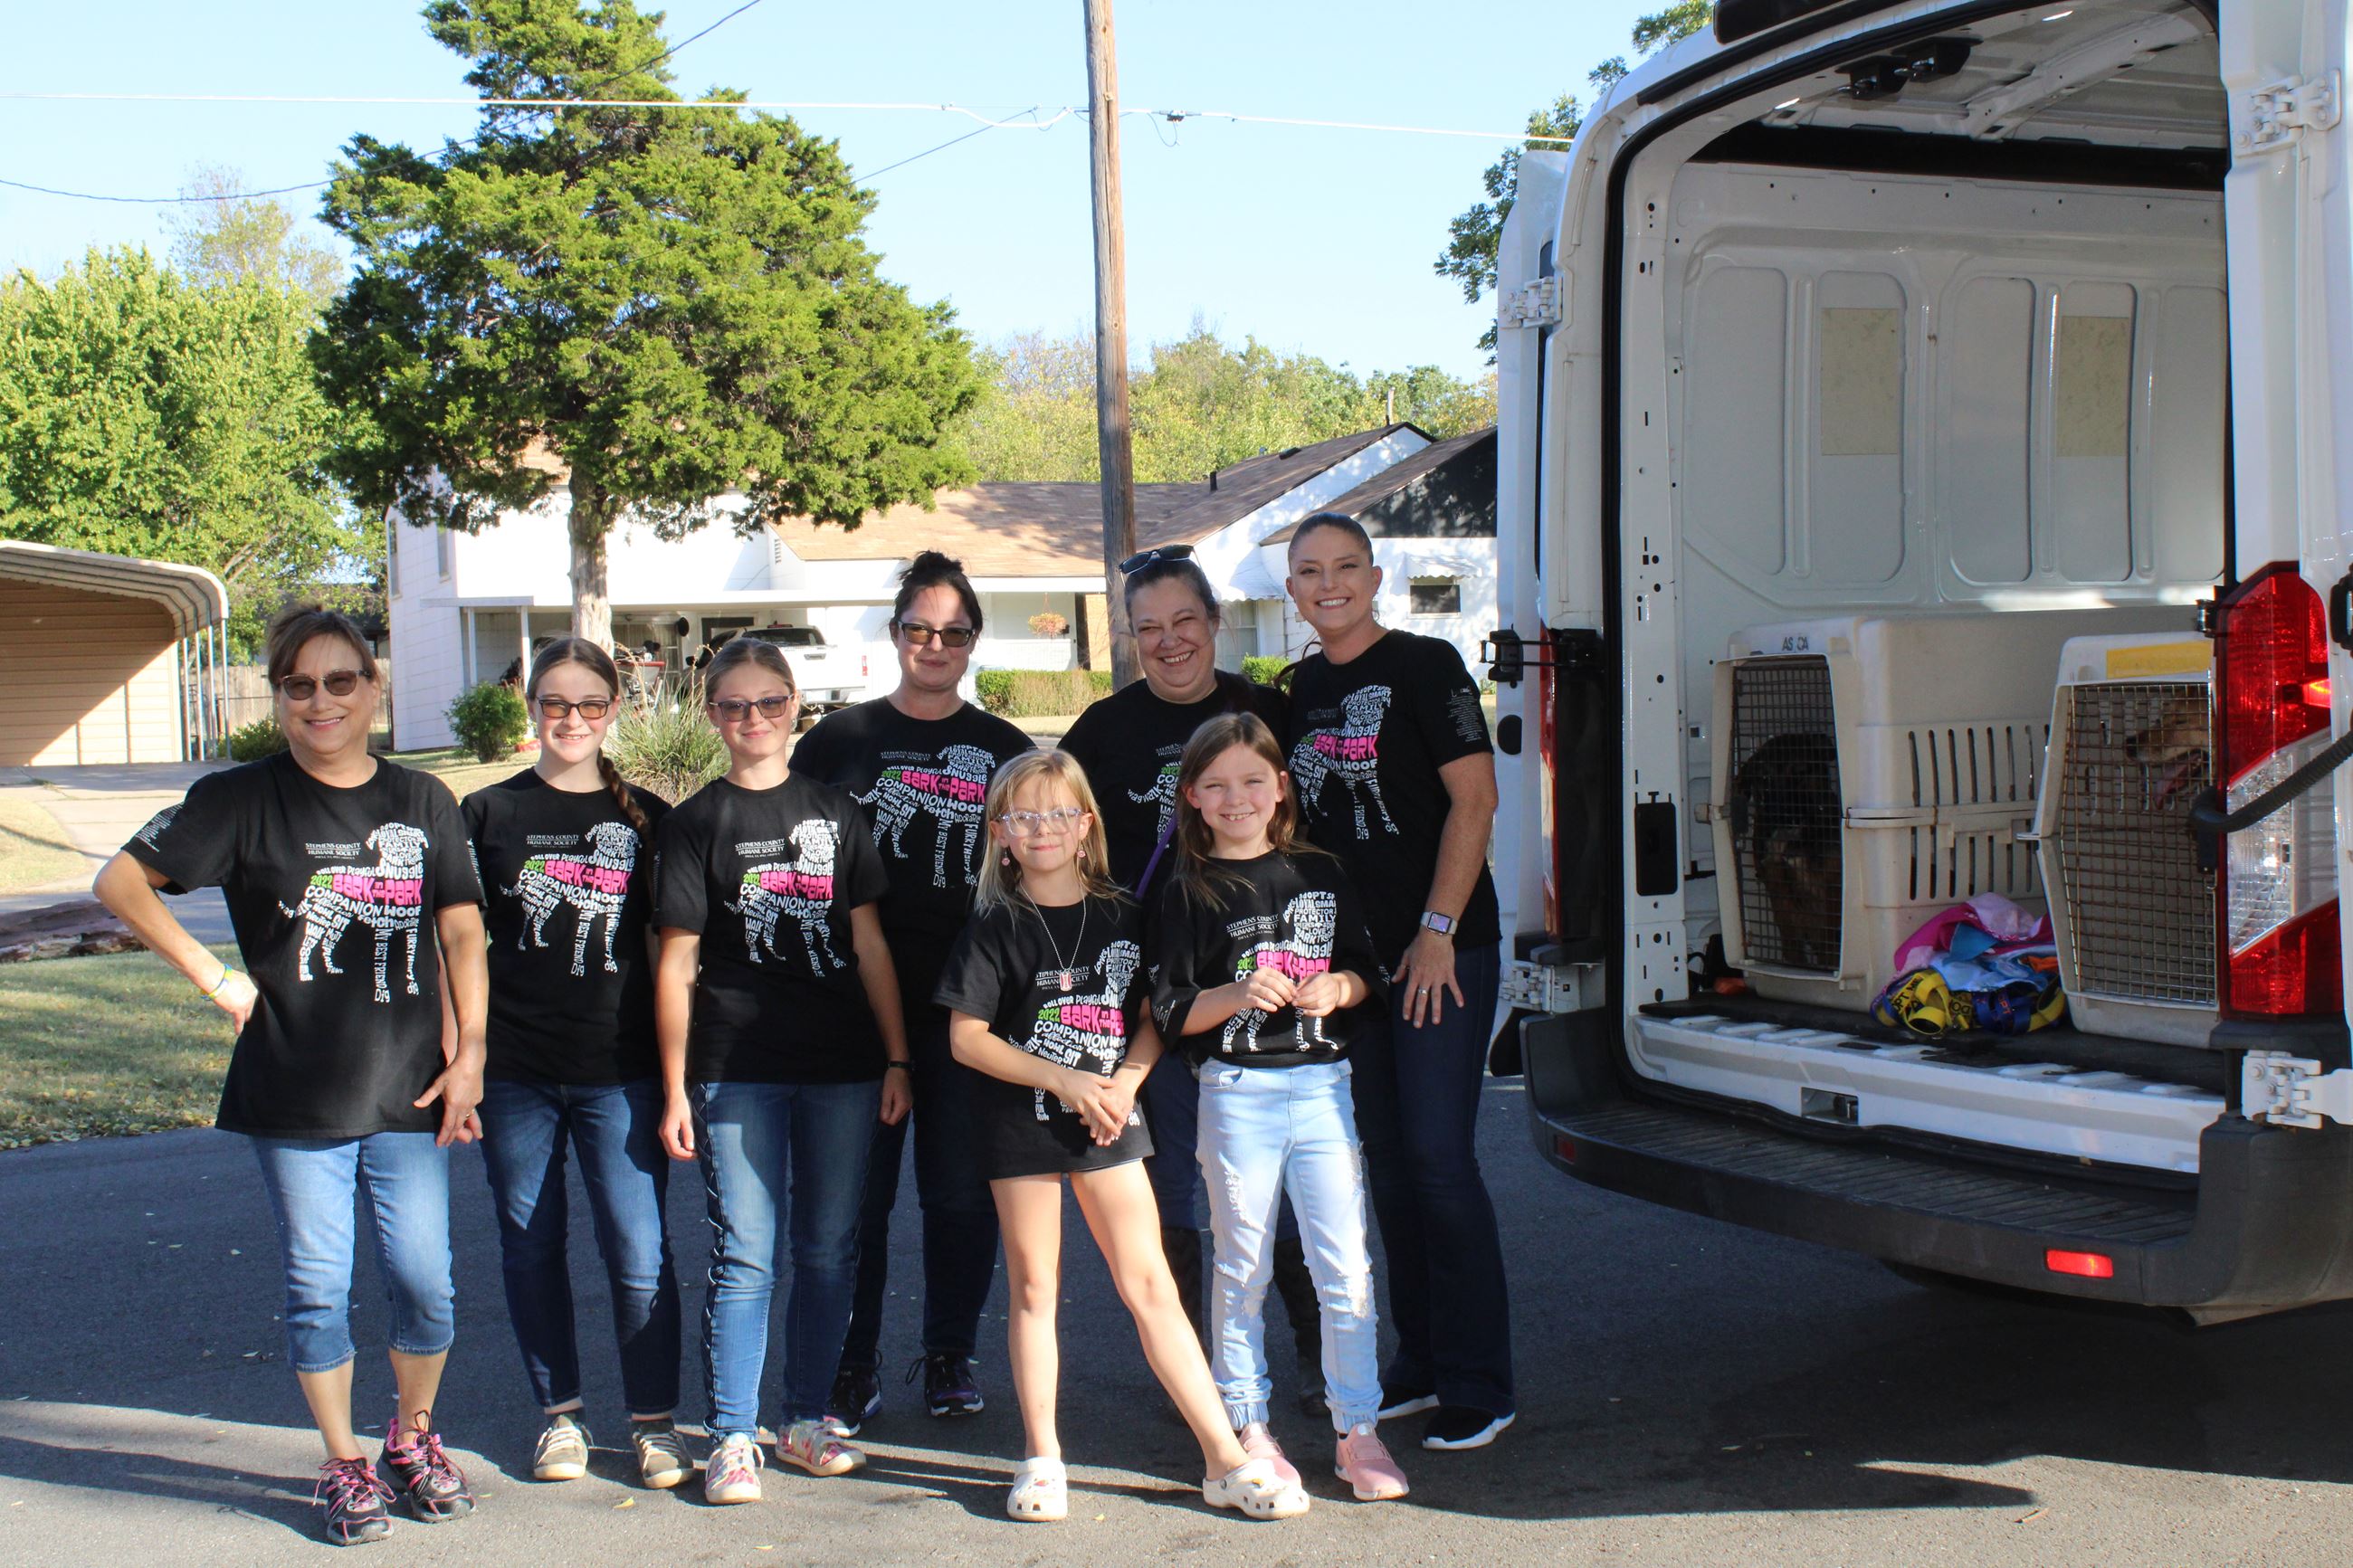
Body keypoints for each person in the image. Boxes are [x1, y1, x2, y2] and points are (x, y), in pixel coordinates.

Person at [94, 605, 488, 1547]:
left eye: (341, 680)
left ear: (373, 686)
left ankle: (413, 1438)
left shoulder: (423, 799)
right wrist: (213, 973)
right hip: (293, 1089)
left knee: (425, 1280)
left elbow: (461, 927)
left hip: (412, 1088)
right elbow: (120, 881)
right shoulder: (239, 797)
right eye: (300, 684)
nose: (322, 700)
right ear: (280, 696)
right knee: (319, 1283)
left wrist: (470, 1051)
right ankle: (344, 1460)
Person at [937, 751, 1309, 1525]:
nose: (1043, 829)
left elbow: (1152, 1017)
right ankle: (1042, 1456)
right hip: (1023, 1125)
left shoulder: (1122, 913)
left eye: (1059, 813)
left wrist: (1123, 1086)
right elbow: (967, 1037)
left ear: (1086, 825)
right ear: (1001, 834)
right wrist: (1066, 1081)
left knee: (1151, 1284)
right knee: (1035, 1287)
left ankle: (1224, 1457)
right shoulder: (995, 923)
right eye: (1024, 817)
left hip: (1111, 1119)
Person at [650, 636, 914, 1506]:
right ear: (713, 715)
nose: (754, 719)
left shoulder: (837, 814)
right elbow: (677, 962)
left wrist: (898, 1055)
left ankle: (804, 1416)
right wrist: (675, 1083)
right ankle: (731, 1433)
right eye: (735, 705)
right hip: (738, 1068)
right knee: (747, 1256)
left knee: (830, 1247)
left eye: (770, 703)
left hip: (842, 1062)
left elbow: (871, 945)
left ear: (794, 708)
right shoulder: (696, 823)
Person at [1059, 546, 1323, 1415]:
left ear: (1214, 622)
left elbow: (1317, 842)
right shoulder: (1102, 730)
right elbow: (1067, 850)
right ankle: (1198, 1379)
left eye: (1184, 622)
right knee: (1174, 1185)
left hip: (1269, 985)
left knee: (1272, 1183)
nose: (1169, 642)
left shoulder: (1269, 711)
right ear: (1130, 640)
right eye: (1148, 629)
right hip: (1159, 992)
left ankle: (1321, 1358)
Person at [1281, 511, 1513, 1452]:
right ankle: (1418, 1360)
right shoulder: (1297, 689)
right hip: (1355, 966)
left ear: (1373, 578)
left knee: (1437, 1159)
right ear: (1289, 587)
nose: (1327, 583)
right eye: (1308, 570)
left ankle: (1478, 1380)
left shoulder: (1424, 667)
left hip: (1440, 952)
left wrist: (1436, 931)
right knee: (1386, 1164)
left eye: (1344, 567)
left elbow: (1475, 797)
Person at [790, 552, 1032, 1430]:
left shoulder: (1006, 751)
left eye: (954, 631)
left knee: (960, 1193)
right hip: (855, 1010)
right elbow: (792, 860)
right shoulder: (836, 743)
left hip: (970, 1006)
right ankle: (849, 1361)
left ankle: (947, 1351)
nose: (935, 644)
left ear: (973, 640)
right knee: (856, 1197)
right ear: (895, 634)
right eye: (919, 629)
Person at [1150, 713, 1409, 1501]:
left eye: (1254, 780)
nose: (1238, 798)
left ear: (1282, 788)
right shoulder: (1186, 889)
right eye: (1218, 785)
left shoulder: (1321, 872)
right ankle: (1248, 1423)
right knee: (1242, 1265)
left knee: (1347, 1266)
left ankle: (1357, 1428)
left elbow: (1368, 972)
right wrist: (1230, 993)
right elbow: (1166, 1010)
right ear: (1192, 795)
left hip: (1324, 1086)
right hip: (1236, 1093)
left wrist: (1343, 985)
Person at [461, 638, 687, 1490]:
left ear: (614, 710)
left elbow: (674, 954)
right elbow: (460, 946)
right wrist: (466, 1056)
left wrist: (675, 1079)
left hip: (618, 1070)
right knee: (531, 1247)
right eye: (556, 703)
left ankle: (655, 1422)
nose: (572, 720)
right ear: (533, 709)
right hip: (517, 1070)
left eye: (591, 704)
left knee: (639, 1251)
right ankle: (560, 1418)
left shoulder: (648, 820)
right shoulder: (484, 813)